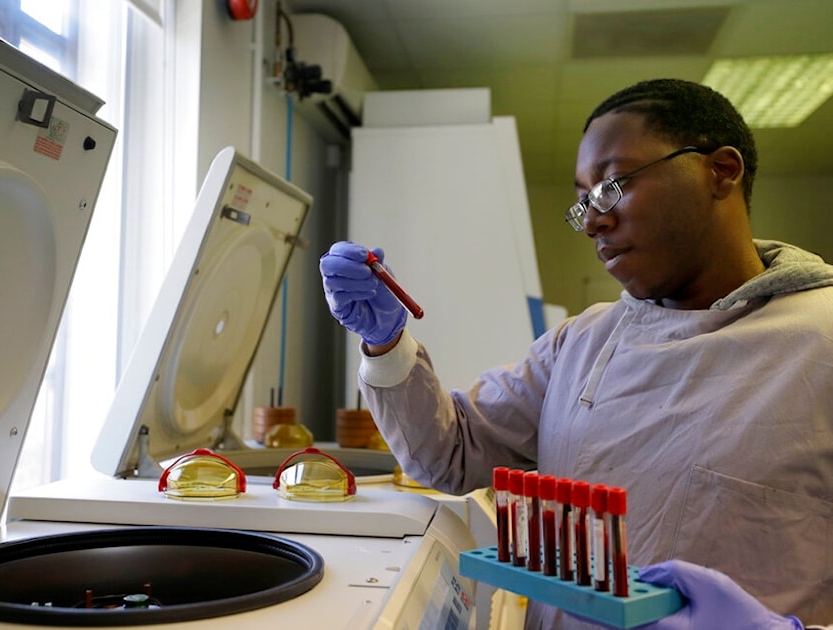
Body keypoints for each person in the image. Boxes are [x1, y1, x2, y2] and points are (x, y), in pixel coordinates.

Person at [319, 78, 833, 629]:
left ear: (721, 170)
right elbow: (450, 451)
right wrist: (387, 343)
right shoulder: (583, 340)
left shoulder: (819, 341)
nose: (592, 220)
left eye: (613, 185)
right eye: (583, 199)